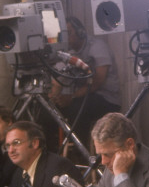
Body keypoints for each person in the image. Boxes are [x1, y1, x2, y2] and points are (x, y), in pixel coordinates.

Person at [48, 16, 121, 159]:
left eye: (68, 33)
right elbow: (57, 82)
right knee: (48, 113)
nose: (65, 38)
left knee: (77, 108)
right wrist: (52, 100)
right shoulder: (67, 53)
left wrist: (71, 97)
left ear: (80, 32)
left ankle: (81, 157)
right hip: (81, 98)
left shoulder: (97, 46)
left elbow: (98, 81)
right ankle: (51, 155)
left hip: (107, 99)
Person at [0, 121, 84, 187]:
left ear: (35, 143)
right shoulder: (18, 175)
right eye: (8, 146)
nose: (10, 150)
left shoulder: (59, 167)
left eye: (16, 143)